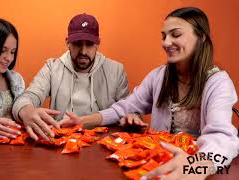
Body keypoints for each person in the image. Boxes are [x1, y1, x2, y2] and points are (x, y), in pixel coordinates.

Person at [59, 7, 239, 179]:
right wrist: (82, 121)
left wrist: (197, 165)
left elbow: (222, 137)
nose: (166, 43)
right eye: (164, 36)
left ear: (201, 38)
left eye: (175, 34)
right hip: (156, 164)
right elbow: (124, 107)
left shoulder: (218, 82)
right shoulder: (158, 76)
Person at [13, 13, 129, 141]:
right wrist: (26, 110)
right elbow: (28, 97)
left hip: (103, 142)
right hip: (62, 141)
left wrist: (131, 116)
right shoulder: (52, 68)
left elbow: (128, 110)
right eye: (77, 44)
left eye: (89, 44)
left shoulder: (116, 70)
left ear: (98, 43)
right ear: (68, 42)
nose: (83, 51)